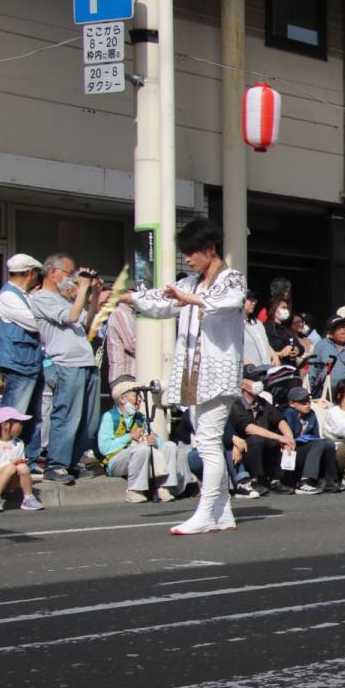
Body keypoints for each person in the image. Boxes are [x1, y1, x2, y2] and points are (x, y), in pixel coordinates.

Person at [126, 217, 246, 534]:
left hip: (218, 372)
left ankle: (207, 512)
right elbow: (162, 300)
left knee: (207, 442)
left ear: (210, 249)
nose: (189, 260)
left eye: (193, 253)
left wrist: (190, 299)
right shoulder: (191, 282)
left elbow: (229, 302)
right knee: (204, 440)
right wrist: (129, 298)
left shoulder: (232, 279)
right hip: (193, 372)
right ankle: (222, 513)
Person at [32, 253, 103, 485]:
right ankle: (56, 464)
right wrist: (82, 287)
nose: (73, 278)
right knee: (67, 416)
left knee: (89, 421)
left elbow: (88, 322)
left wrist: (94, 294)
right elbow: (72, 318)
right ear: (52, 272)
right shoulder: (42, 298)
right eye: (69, 272)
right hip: (66, 363)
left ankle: (73, 462)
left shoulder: (65, 299)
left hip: (86, 362)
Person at [0, 253, 46, 476]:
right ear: (29, 273)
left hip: (31, 363)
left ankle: (29, 461)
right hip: (17, 364)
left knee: (34, 416)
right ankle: (5, 465)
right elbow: (37, 323)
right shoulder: (8, 297)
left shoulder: (24, 296)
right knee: (12, 417)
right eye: (36, 274)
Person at [99, 376, 181, 503]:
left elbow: (156, 441)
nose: (139, 400)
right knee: (142, 449)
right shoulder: (109, 417)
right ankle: (134, 490)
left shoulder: (141, 418)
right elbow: (105, 448)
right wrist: (129, 437)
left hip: (140, 455)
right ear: (122, 399)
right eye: (135, 396)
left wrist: (154, 441)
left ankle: (163, 487)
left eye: (140, 396)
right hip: (116, 461)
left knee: (169, 446)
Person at [229, 374, 295, 495]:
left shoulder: (262, 402)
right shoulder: (236, 404)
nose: (258, 383)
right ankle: (255, 480)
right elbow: (249, 429)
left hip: (264, 444)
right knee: (256, 440)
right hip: (243, 445)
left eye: (259, 379)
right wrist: (280, 437)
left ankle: (276, 480)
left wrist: (289, 438)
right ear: (242, 384)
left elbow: (279, 420)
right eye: (253, 380)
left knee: (281, 443)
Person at [282, 385, 339, 493]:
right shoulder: (289, 413)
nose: (307, 404)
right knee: (319, 444)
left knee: (328, 443)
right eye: (302, 402)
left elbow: (316, 435)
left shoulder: (311, 414)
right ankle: (305, 480)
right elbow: (290, 437)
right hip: (293, 450)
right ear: (292, 403)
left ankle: (331, 481)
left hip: (309, 448)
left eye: (308, 400)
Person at [0, 405, 43, 512]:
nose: (21, 425)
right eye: (18, 422)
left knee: (22, 467)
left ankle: (28, 498)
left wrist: (18, 462)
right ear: (5, 424)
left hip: (11, 483)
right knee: (11, 467)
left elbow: (19, 464)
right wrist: (9, 463)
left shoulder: (18, 443)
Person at [104, 297, 137, 385]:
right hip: (125, 375)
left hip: (133, 375)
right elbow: (132, 345)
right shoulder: (120, 312)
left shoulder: (134, 313)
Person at [264, 297, 303, 366]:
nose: (286, 311)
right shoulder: (266, 328)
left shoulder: (285, 329)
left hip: (291, 369)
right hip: (276, 368)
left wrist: (296, 349)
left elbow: (300, 347)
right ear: (274, 309)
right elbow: (272, 345)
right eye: (283, 308)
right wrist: (282, 352)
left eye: (286, 308)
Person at [243, 291, 275, 366]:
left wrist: (274, 355)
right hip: (247, 373)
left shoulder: (258, 323)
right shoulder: (234, 325)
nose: (254, 302)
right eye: (250, 299)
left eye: (254, 299)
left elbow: (262, 342)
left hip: (265, 371)